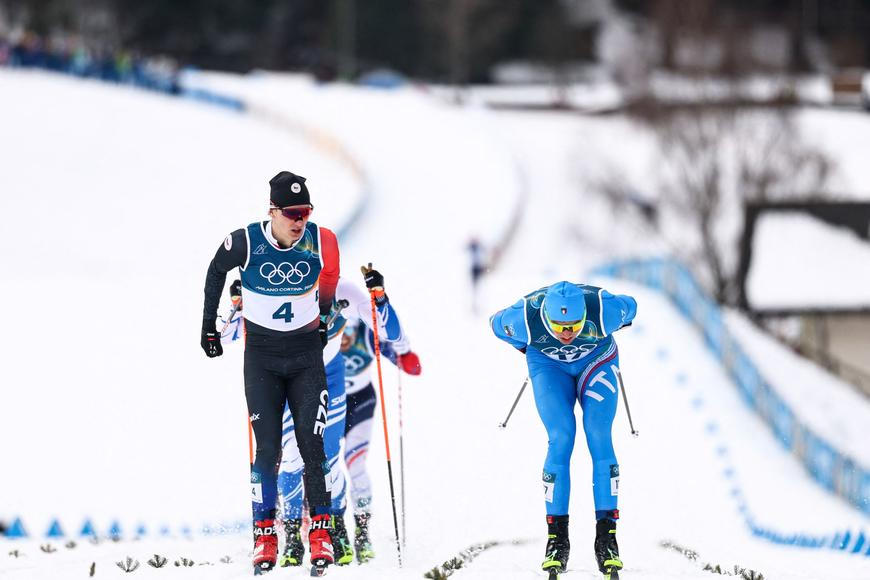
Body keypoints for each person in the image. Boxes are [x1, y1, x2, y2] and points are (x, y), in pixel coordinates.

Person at [201, 170, 338, 575]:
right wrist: (208, 327)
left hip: (305, 358)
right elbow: (215, 271)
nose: (300, 221)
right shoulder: (245, 241)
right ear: (273, 211)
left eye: (306, 212)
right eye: (292, 213)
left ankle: (321, 533)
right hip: (262, 358)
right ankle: (264, 536)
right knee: (267, 451)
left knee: (313, 446)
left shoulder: (322, 240)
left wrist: (324, 317)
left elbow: (330, 276)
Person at [490, 281, 636, 578]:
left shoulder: (604, 309)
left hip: (596, 361)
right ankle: (557, 540)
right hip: (549, 367)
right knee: (561, 437)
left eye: (574, 326)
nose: (567, 334)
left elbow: (631, 306)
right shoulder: (523, 317)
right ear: (546, 316)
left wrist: (617, 325)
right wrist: (525, 346)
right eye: (558, 327)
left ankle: (607, 539)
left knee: (598, 435)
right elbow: (495, 324)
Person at [277, 268, 421, 566]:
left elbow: (395, 345)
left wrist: (404, 355)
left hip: (358, 402)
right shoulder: (314, 323)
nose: (343, 339)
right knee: (305, 461)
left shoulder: (360, 326)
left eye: (347, 333)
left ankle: (361, 533)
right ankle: (305, 525)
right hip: (318, 395)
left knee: (353, 464)